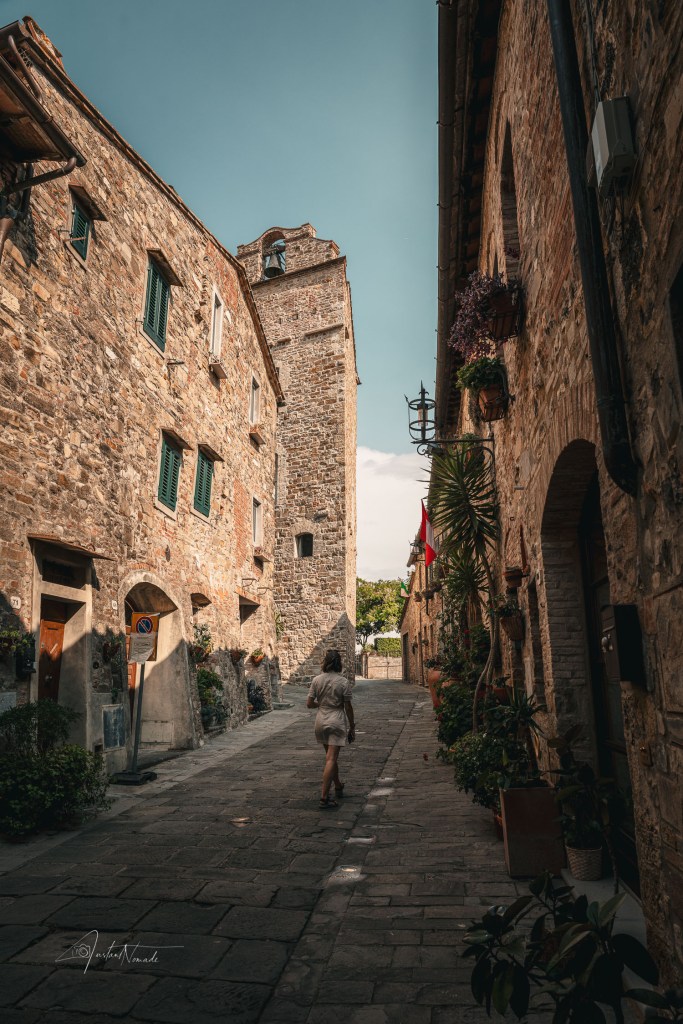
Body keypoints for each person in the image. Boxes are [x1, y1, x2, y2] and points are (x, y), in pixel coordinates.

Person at [307, 649, 355, 808]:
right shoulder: (343, 682)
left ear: (325, 662)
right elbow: (348, 707)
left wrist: (321, 704)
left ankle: (338, 785)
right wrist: (352, 726)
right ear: (339, 663)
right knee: (331, 759)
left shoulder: (316, 680)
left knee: (330, 758)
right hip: (336, 720)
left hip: (320, 720)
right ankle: (324, 798)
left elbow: (309, 704)